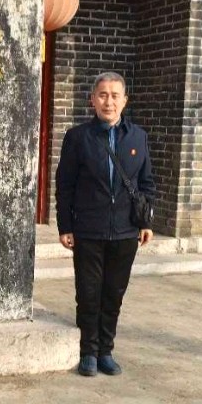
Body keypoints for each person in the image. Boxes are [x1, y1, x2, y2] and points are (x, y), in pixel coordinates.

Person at [55, 71, 155, 377]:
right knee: (88, 292)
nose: (108, 102)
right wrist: (65, 225)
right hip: (88, 229)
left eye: (114, 96)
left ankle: (105, 351)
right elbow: (65, 185)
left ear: (125, 101)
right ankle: (88, 351)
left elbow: (146, 183)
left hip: (125, 231)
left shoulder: (138, 137)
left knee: (113, 293)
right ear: (92, 100)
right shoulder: (78, 137)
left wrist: (146, 222)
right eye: (102, 95)